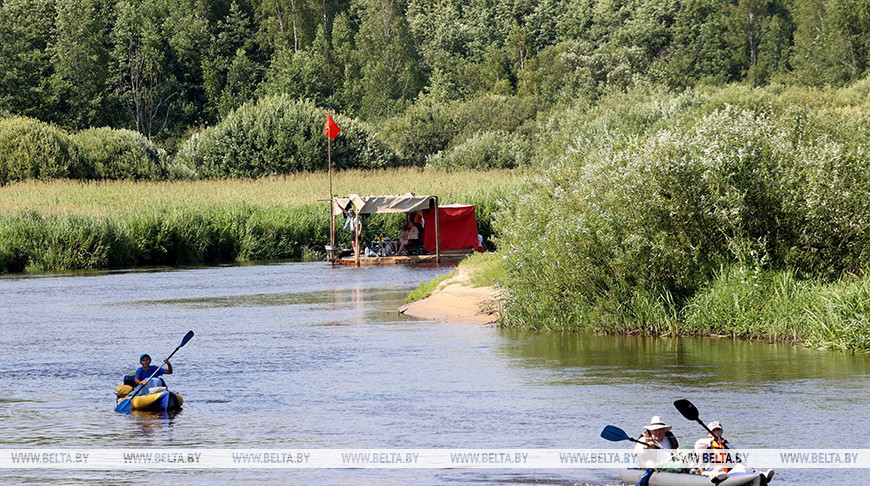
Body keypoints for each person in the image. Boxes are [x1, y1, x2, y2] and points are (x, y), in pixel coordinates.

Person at [694, 421, 775, 483]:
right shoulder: (703, 443)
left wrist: (724, 446)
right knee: (718, 469)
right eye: (714, 430)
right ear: (709, 433)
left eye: (718, 430)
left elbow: (735, 455)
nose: (717, 432)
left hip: (726, 471)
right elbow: (698, 444)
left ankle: (762, 475)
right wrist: (713, 439)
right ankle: (717, 477)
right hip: (709, 470)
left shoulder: (727, 444)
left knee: (742, 467)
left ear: (722, 431)